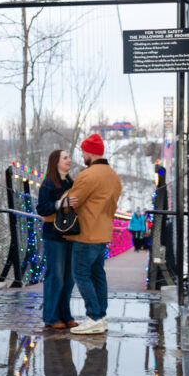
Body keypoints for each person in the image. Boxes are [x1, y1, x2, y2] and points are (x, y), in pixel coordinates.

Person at [63, 133, 122, 335]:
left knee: (80, 274)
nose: (82, 155)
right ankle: (101, 316)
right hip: (104, 232)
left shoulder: (88, 175)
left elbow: (72, 201)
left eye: (83, 151)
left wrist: (60, 201)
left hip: (86, 233)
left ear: (90, 152)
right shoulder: (113, 175)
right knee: (98, 275)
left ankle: (94, 316)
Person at [36, 150, 77, 329]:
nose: (69, 160)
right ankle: (51, 317)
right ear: (56, 162)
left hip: (71, 234)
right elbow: (42, 209)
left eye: (69, 157)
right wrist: (60, 204)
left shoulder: (70, 182)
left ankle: (65, 315)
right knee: (56, 277)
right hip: (54, 236)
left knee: (69, 278)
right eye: (65, 158)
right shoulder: (48, 184)